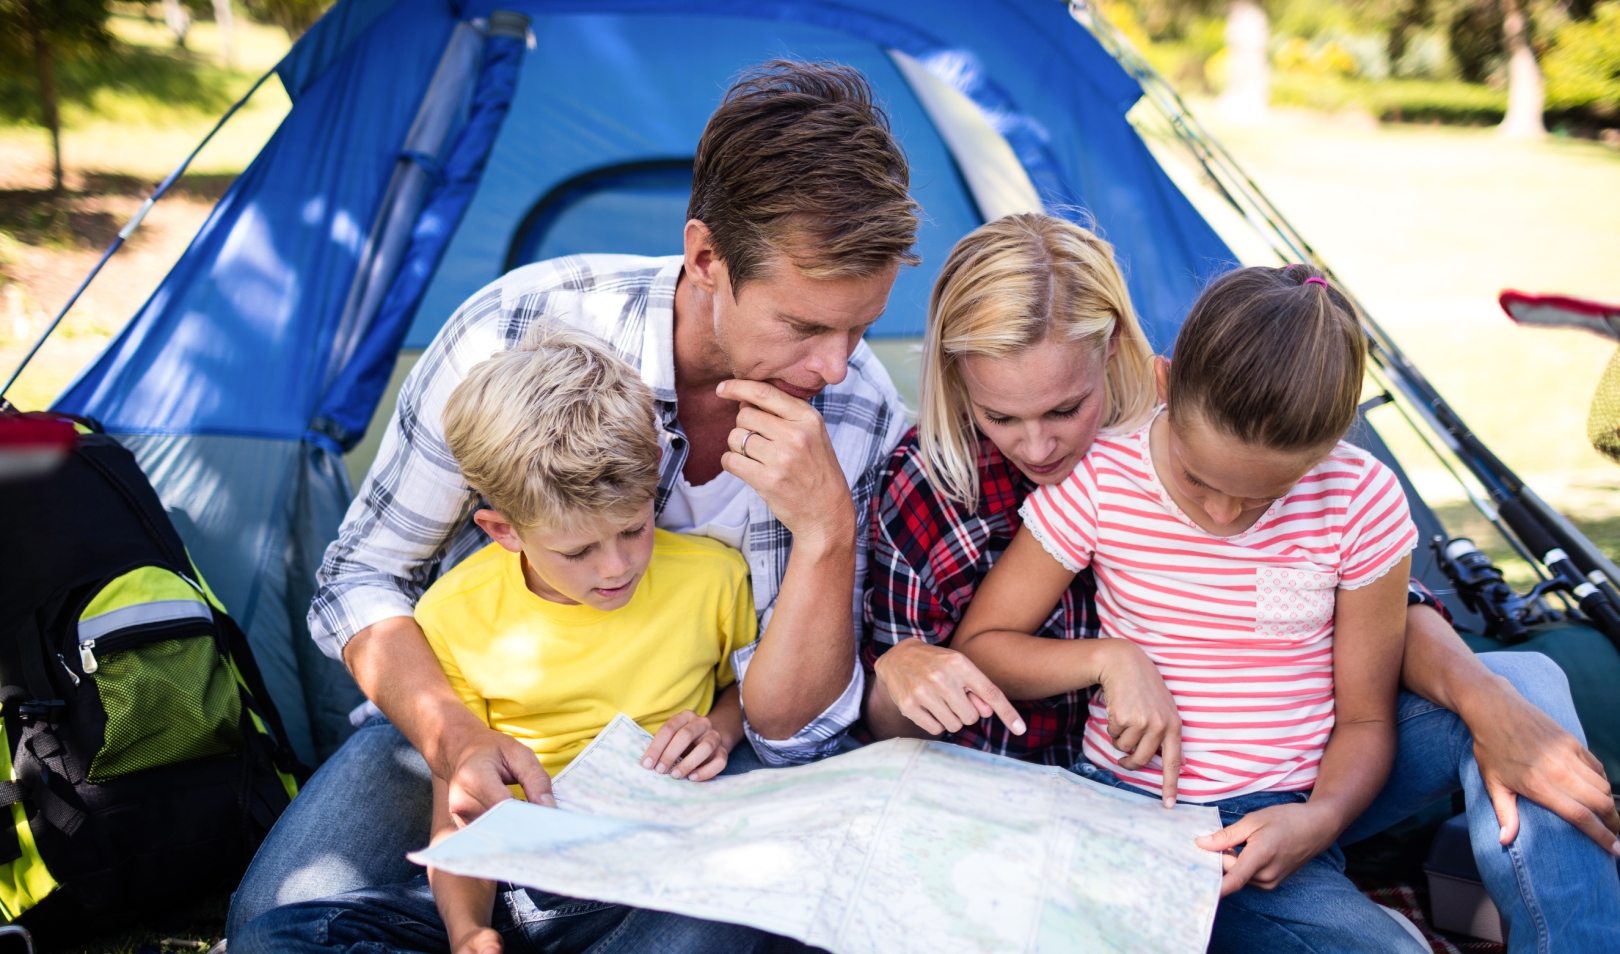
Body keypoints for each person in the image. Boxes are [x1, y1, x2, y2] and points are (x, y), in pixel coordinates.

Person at [226, 60, 914, 937]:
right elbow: (363, 574)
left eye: (861, 326)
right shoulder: (513, 331)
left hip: (696, 750)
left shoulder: (858, 412)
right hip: (488, 718)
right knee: (283, 916)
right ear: (707, 258)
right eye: (805, 326)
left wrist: (826, 531)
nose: (835, 366)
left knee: (709, 934)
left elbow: (789, 731)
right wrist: (454, 740)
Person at [863, 214, 1620, 952]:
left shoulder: (1340, 486)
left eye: (1065, 408)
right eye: (1001, 415)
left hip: (1303, 785)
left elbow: (1366, 705)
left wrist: (1320, 819)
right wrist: (1109, 657)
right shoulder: (1093, 479)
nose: (1224, 515)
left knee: (1528, 684)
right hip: (1144, 808)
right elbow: (969, 657)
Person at [235, 327, 778, 953]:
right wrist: (469, 933)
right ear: (502, 530)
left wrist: (720, 726)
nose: (616, 568)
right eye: (576, 550)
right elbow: (459, 812)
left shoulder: (712, 577)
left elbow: (743, 690)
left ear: (654, 480)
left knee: (728, 915)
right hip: (524, 879)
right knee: (279, 935)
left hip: (656, 871)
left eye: (634, 529)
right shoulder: (453, 616)